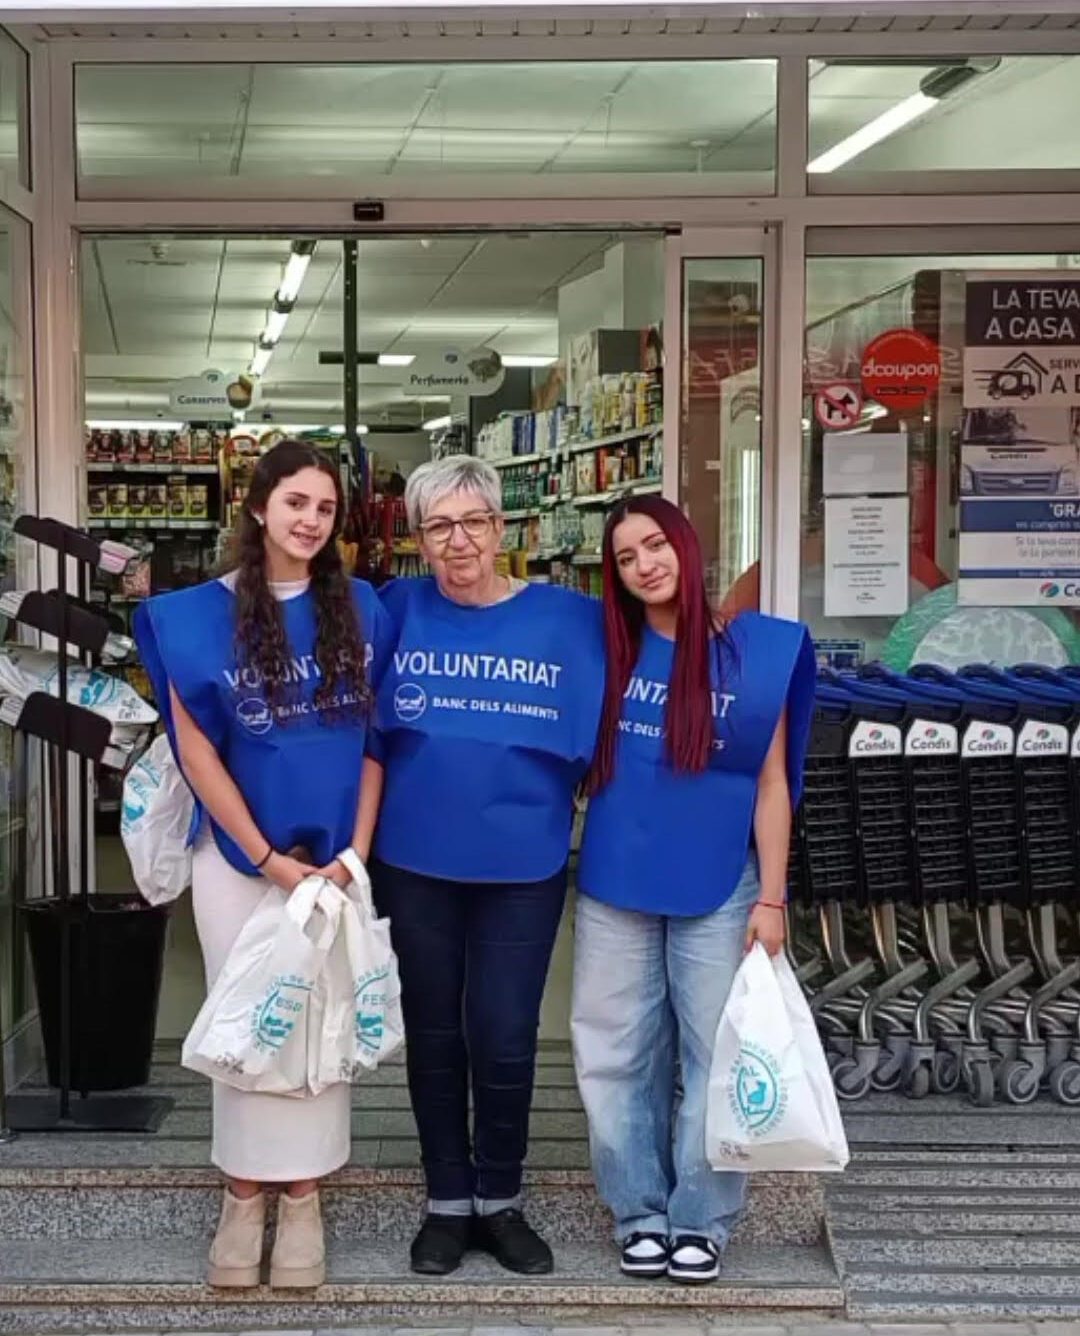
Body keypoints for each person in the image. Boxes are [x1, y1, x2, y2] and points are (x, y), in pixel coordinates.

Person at [133, 440, 390, 1291]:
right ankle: (243, 1197)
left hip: (336, 866)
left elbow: (375, 743)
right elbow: (197, 751)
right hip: (238, 862)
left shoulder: (362, 609)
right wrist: (267, 858)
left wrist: (353, 857)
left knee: (321, 1022)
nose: (311, 520)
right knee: (247, 1022)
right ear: (258, 507)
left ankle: (305, 1199)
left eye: (326, 508)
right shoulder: (193, 618)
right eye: (295, 503)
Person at [370, 455, 604, 1278]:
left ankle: (500, 1197)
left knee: (504, 1033)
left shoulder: (571, 621)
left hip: (522, 862)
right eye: (439, 526)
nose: (458, 540)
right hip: (414, 859)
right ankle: (446, 1199)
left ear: (503, 528)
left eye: (473, 522)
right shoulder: (393, 610)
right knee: (434, 1029)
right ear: (418, 538)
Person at [570, 495, 814, 1285]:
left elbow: (772, 786)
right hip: (615, 881)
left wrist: (772, 898)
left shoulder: (753, 655)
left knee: (717, 1055)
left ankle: (700, 1220)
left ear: (685, 543)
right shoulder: (604, 652)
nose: (645, 565)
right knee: (613, 1054)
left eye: (655, 545)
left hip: (721, 884)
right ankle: (638, 1213)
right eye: (626, 557)